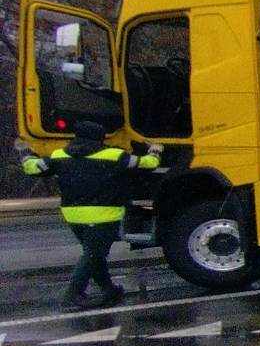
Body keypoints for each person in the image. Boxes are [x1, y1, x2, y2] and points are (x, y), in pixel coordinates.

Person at [16, 122, 161, 309]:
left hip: (73, 214)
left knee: (93, 254)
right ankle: (73, 294)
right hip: (103, 214)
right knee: (94, 254)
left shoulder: (60, 155)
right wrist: (155, 150)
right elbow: (148, 164)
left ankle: (108, 288)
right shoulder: (114, 155)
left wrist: (24, 151)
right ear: (100, 137)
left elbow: (32, 168)